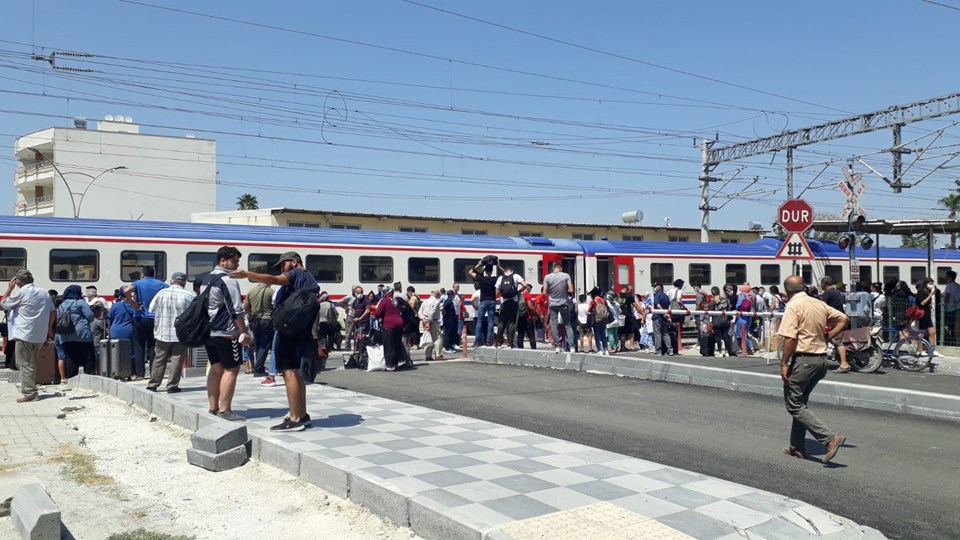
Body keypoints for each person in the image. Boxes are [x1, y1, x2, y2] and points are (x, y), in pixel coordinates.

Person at [232, 251, 318, 432]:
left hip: (289, 331)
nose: (281, 269)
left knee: (289, 372)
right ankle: (301, 414)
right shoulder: (308, 277)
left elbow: (273, 279)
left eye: (283, 264)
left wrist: (248, 274)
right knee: (295, 372)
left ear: (294, 262)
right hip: (299, 329)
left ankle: (295, 419)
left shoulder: (296, 274)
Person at [778, 275, 848, 464]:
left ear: (787, 291)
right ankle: (797, 446)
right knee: (800, 403)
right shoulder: (818, 303)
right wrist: (827, 337)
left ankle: (829, 438)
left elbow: (790, 339)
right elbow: (843, 319)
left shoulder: (793, 306)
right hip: (821, 361)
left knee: (793, 404)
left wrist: (784, 363)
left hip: (804, 361)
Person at [200, 247, 250, 423]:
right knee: (231, 369)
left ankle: (213, 407)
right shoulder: (228, 280)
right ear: (223, 260)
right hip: (227, 332)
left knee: (215, 369)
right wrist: (244, 331)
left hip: (210, 331)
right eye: (234, 261)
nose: (237, 265)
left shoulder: (207, 279)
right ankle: (225, 409)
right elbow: (236, 309)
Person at [2, 270, 55, 402]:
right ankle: (31, 387)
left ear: (18, 281)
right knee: (31, 364)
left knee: (24, 364)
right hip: (39, 335)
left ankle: (30, 393)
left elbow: (2, 305)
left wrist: (9, 289)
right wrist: (48, 328)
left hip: (24, 334)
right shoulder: (44, 292)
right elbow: (53, 312)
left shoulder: (21, 292)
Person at [146, 272, 195, 393]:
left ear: (172, 281)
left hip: (162, 332)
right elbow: (193, 315)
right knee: (177, 359)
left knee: (159, 358)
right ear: (184, 282)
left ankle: (153, 384)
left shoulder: (161, 293)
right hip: (180, 334)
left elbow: (151, 309)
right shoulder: (188, 295)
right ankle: (172, 386)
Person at [129, 266, 168, 381]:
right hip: (155, 319)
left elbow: (125, 290)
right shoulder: (161, 284)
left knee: (139, 347)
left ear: (143, 274)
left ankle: (140, 374)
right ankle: (153, 373)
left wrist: (133, 303)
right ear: (154, 273)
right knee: (153, 347)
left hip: (140, 317)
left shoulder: (138, 283)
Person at [57, 285, 96, 380]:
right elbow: (90, 317)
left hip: (66, 336)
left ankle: (71, 380)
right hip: (82, 335)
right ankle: (88, 379)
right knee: (88, 357)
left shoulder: (61, 305)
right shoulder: (80, 302)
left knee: (71, 359)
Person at [819, 276, 851, 372]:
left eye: (821, 284)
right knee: (831, 339)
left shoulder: (827, 293)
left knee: (838, 342)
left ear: (824, 284)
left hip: (835, 321)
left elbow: (822, 308)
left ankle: (844, 364)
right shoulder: (837, 292)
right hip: (840, 319)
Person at [243, 281, 275, 378]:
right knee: (265, 345)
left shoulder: (251, 291)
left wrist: (252, 313)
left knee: (257, 344)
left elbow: (246, 307)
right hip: (267, 319)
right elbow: (275, 306)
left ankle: (258, 366)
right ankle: (259, 368)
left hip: (255, 320)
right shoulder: (271, 291)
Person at [541, 262, 575, 353]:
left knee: (554, 325)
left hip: (552, 304)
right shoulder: (566, 276)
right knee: (567, 325)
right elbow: (571, 290)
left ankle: (557, 346)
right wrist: (564, 290)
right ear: (561, 268)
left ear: (553, 268)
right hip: (563, 303)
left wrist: (551, 293)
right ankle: (572, 347)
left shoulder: (547, 277)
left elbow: (544, 292)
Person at [494, 263, 526, 349]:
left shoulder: (501, 278)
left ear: (505, 271)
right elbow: (525, 285)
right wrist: (518, 291)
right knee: (512, 322)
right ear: (512, 271)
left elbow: (497, 291)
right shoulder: (515, 276)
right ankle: (510, 342)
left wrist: (502, 292)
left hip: (503, 303)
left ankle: (499, 343)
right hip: (513, 302)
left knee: (501, 323)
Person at [468, 261, 498, 347]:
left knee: (479, 321)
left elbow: (470, 272)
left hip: (483, 302)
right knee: (490, 321)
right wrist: (499, 266)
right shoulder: (494, 279)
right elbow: (504, 275)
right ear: (491, 271)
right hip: (492, 301)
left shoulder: (481, 278)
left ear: (485, 271)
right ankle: (488, 340)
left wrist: (478, 265)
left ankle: (478, 340)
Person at [374, 288, 404, 371]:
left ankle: (390, 365)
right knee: (396, 344)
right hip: (399, 324)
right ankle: (395, 363)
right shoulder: (395, 301)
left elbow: (378, 313)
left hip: (389, 324)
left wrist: (378, 318)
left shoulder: (384, 300)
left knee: (389, 344)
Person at [418, 289, 445, 361]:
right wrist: (429, 321)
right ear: (437, 294)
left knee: (428, 338)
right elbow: (432, 311)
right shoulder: (436, 302)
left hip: (425, 321)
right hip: (433, 321)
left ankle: (428, 355)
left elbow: (419, 312)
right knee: (438, 338)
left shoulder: (425, 302)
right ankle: (438, 354)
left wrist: (424, 319)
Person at [915, 280, 938, 354]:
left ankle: (932, 350)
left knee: (932, 332)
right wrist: (931, 294)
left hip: (927, 314)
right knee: (921, 333)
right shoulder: (921, 292)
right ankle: (920, 350)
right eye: (930, 283)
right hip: (923, 314)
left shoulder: (927, 291)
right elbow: (922, 303)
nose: (931, 285)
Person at [710, 286, 734, 357]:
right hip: (725, 320)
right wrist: (730, 318)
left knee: (718, 337)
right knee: (726, 336)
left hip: (717, 321)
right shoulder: (726, 300)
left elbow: (711, 312)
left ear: (712, 293)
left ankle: (720, 352)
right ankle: (726, 352)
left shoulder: (712, 302)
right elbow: (728, 309)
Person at [651, 282, 673, 356]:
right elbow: (669, 306)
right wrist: (667, 314)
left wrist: (663, 313)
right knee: (665, 333)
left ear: (659, 287)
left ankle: (658, 350)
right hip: (664, 318)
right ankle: (670, 350)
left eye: (655, 286)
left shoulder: (657, 295)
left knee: (657, 334)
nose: (654, 288)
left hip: (657, 316)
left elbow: (658, 305)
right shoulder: (666, 296)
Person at [587, 288, 610, 355]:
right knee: (603, 334)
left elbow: (589, 309)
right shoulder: (603, 300)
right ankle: (606, 349)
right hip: (603, 319)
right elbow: (607, 308)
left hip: (596, 319)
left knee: (597, 334)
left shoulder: (593, 300)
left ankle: (599, 349)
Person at [516, 283, 538, 349]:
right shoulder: (527, 295)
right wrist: (535, 313)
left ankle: (520, 350)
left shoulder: (518, 295)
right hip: (528, 317)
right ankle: (534, 350)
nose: (529, 290)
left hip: (519, 317)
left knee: (520, 334)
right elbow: (530, 306)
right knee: (531, 335)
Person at [943, 271, 960, 346]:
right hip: (957, 308)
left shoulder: (949, 286)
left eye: (946, 276)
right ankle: (955, 341)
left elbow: (947, 296)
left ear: (949, 277)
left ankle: (950, 341)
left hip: (950, 309)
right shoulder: (958, 285)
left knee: (949, 326)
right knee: (955, 326)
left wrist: (944, 305)